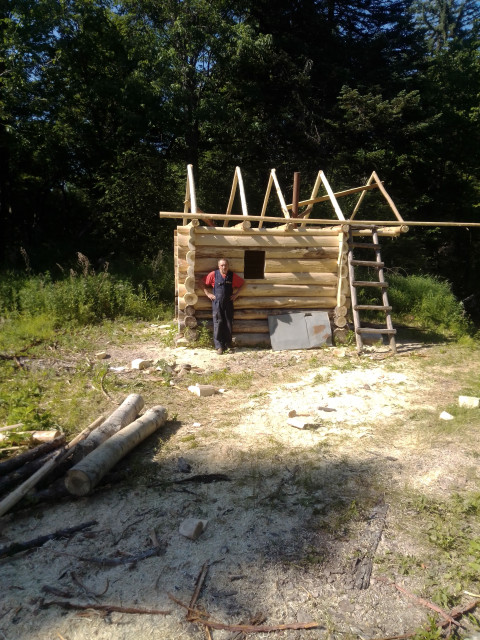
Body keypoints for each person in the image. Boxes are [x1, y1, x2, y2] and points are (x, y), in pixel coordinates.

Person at [202, 258, 245, 354]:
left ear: (228, 266)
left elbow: (243, 284)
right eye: (222, 265)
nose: (224, 267)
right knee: (218, 323)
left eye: (225, 265)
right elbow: (202, 283)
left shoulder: (232, 275)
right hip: (217, 303)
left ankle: (228, 345)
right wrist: (208, 294)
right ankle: (219, 347)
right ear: (218, 266)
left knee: (228, 323)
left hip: (228, 303)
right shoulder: (213, 274)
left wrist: (236, 295)